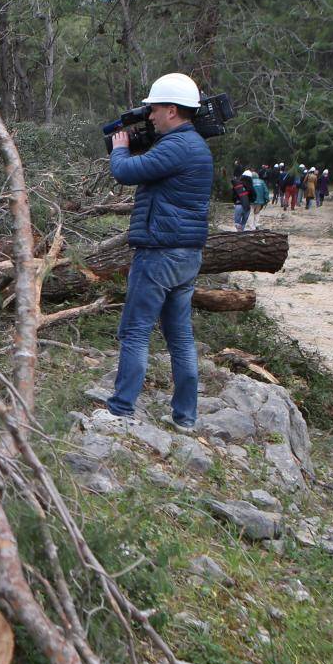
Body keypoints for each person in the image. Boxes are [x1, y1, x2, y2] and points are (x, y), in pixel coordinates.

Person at [104, 72, 213, 428]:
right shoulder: (195, 144)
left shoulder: (177, 146)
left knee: (134, 331)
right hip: (187, 255)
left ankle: (121, 409)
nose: (149, 116)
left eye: (154, 110)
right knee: (180, 337)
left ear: (171, 110)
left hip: (160, 254)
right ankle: (185, 416)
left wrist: (120, 148)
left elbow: (126, 171)